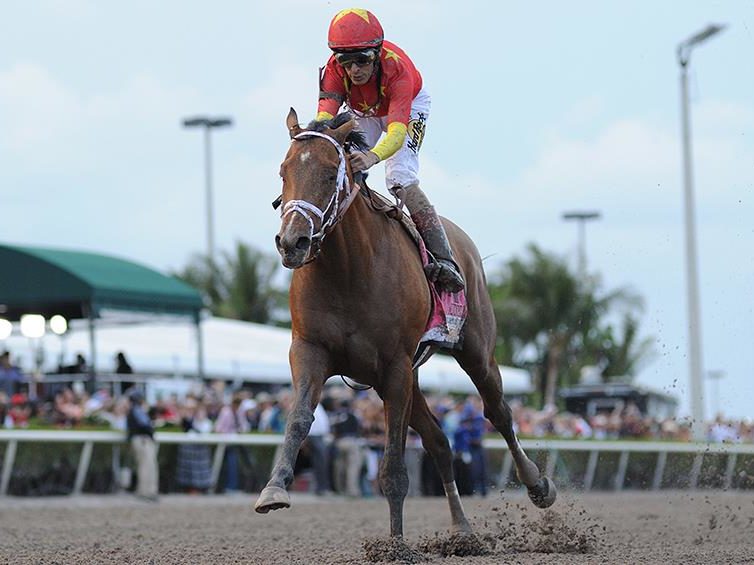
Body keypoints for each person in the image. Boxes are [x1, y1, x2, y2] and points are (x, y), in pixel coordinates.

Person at [315, 8, 464, 292]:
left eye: (362, 60)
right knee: (334, 160)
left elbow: (396, 133)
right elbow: (324, 120)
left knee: (399, 178)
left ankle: (445, 260)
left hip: (408, 109)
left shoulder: (398, 70)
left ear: (377, 53)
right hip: (365, 111)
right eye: (346, 62)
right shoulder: (334, 70)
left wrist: (372, 156)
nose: (354, 70)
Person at [126, 389, 159, 501]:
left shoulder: (136, 410)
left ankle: (148, 491)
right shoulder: (137, 410)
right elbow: (145, 425)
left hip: (140, 440)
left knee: (147, 466)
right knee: (146, 466)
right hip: (143, 440)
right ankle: (146, 492)